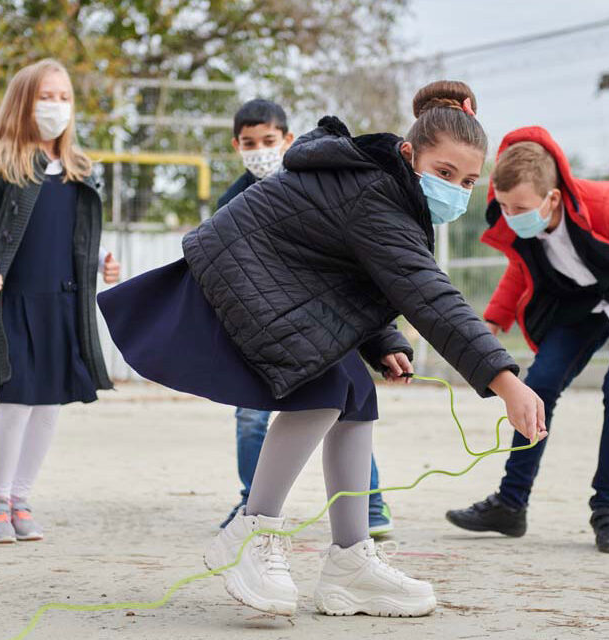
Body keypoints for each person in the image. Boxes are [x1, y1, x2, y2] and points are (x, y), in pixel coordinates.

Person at [98, 81, 546, 617]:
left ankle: (351, 563)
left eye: (468, 181)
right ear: (410, 153)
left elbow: (355, 271)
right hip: (241, 276)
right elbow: (429, 294)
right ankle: (251, 533)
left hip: (278, 282)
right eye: (444, 172)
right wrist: (505, 380)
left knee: (356, 396)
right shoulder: (375, 194)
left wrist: (383, 340)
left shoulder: (385, 191)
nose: (454, 187)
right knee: (324, 387)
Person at [445, 128, 609, 553]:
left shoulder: (607, 204)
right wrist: (493, 320)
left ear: (553, 198)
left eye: (521, 208)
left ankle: (607, 511)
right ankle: (510, 504)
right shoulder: (519, 222)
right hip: (582, 301)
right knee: (538, 383)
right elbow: (522, 269)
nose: (510, 216)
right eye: (504, 206)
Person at [216, 98, 395, 537]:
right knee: (251, 416)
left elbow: (354, 265)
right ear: (237, 145)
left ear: (288, 140)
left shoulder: (313, 186)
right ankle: (252, 501)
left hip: (329, 323)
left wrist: (383, 337)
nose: (259, 149)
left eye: (269, 140)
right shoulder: (231, 202)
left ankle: (369, 504)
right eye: (249, 142)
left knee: (349, 407)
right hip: (262, 326)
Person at [0, 59, 120, 544]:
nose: (56, 106)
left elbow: (81, 239)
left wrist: (100, 267)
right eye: (45, 97)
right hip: (13, 301)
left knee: (49, 403)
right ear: (22, 103)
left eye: (64, 97)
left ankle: (21, 498)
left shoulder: (81, 171)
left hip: (63, 303)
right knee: (17, 401)